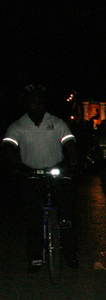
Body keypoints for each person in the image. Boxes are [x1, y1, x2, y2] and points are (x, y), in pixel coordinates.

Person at [3, 85, 78, 272]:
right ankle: (35, 256)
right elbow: (8, 147)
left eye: (40, 102)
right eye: (33, 102)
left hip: (56, 171)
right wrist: (16, 165)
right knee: (32, 217)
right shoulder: (18, 126)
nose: (37, 106)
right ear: (27, 104)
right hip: (31, 174)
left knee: (66, 214)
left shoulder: (57, 122)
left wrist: (74, 163)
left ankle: (69, 254)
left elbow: (69, 143)